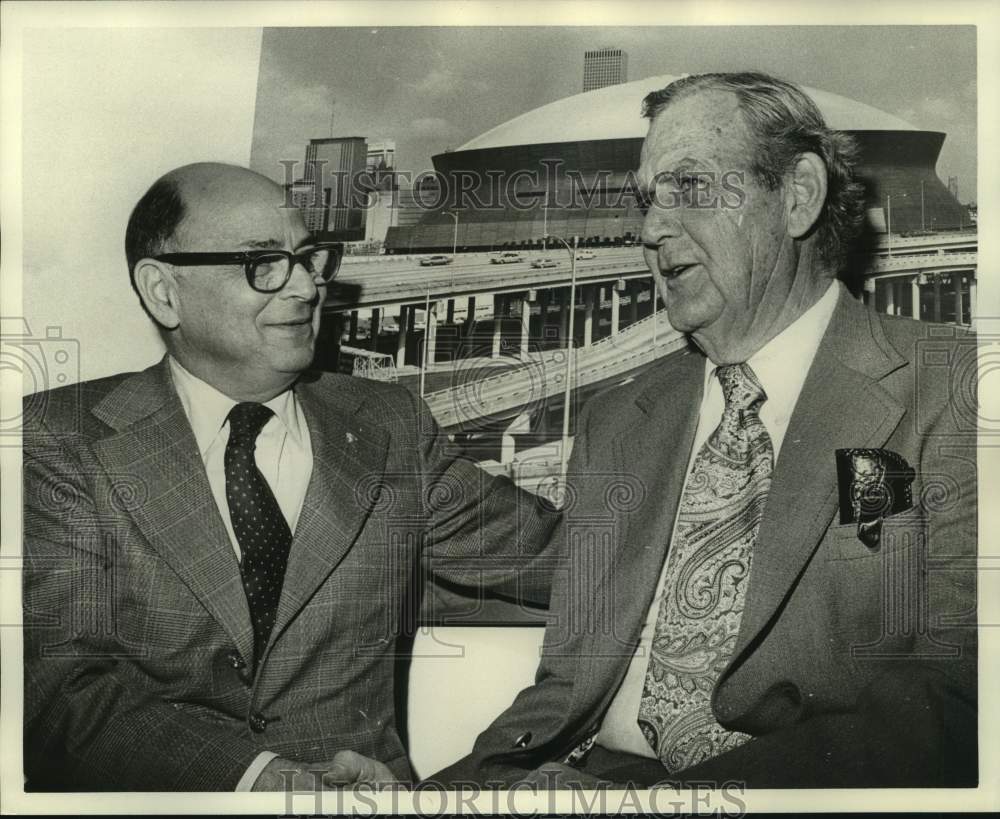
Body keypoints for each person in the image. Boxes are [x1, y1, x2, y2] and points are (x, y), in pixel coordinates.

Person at [424, 72, 977, 788]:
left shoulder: (951, 390)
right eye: (648, 202)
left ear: (799, 196)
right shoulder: (619, 420)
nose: (651, 231)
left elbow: (958, 696)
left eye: (689, 189)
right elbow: (564, 679)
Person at [22, 162, 558, 791]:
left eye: (309, 259)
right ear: (163, 291)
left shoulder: (392, 427)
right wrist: (257, 778)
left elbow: (565, 557)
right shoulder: (58, 437)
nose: (306, 288)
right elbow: (58, 690)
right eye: (263, 264)